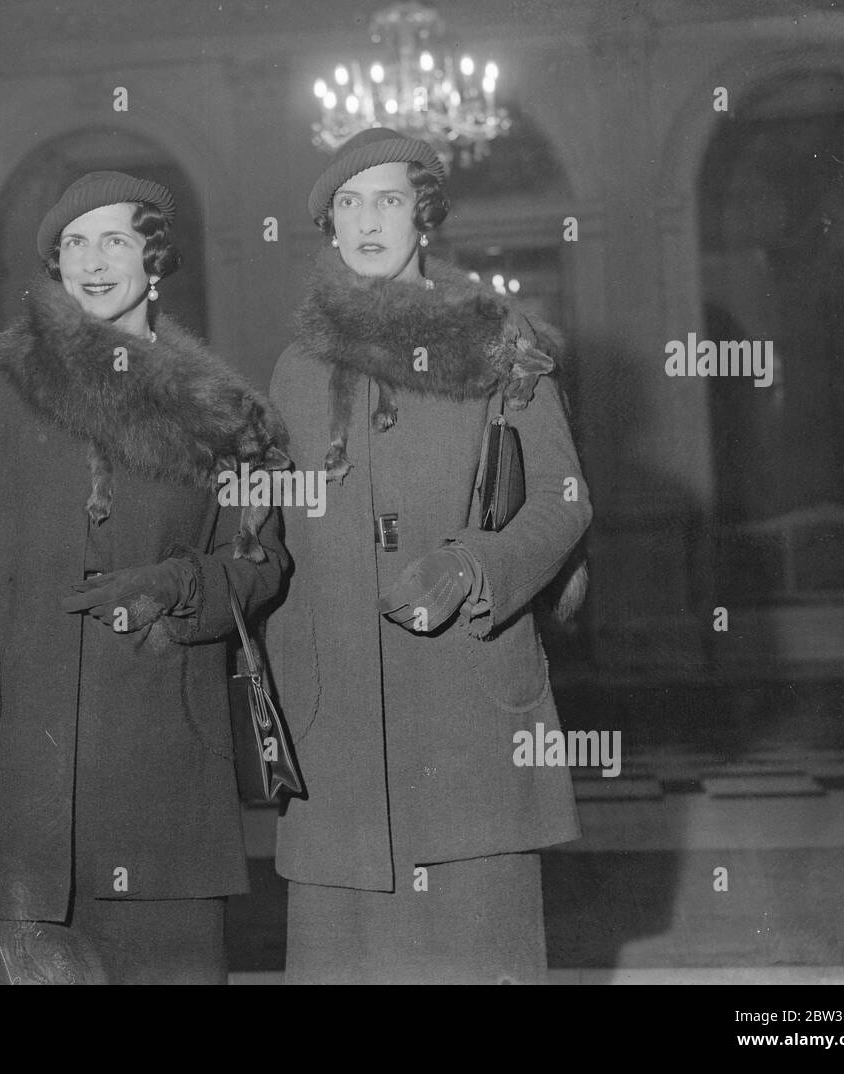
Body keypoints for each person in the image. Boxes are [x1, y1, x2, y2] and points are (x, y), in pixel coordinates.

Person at [0, 170, 289, 984]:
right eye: (72, 244)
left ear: (155, 259)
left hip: (168, 787)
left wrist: (176, 588)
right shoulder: (6, 398)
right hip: (21, 792)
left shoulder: (221, 414)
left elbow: (260, 563)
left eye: (114, 238)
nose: (92, 260)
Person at [266, 128, 592, 984]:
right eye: (348, 203)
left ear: (425, 216)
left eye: (389, 199)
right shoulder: (298, 371)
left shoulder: (499, 345)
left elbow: (564, 498)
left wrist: (473, 568)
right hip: (334, 738)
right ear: (330, 227)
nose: (368, 220)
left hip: (469, 722)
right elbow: (263, 539)